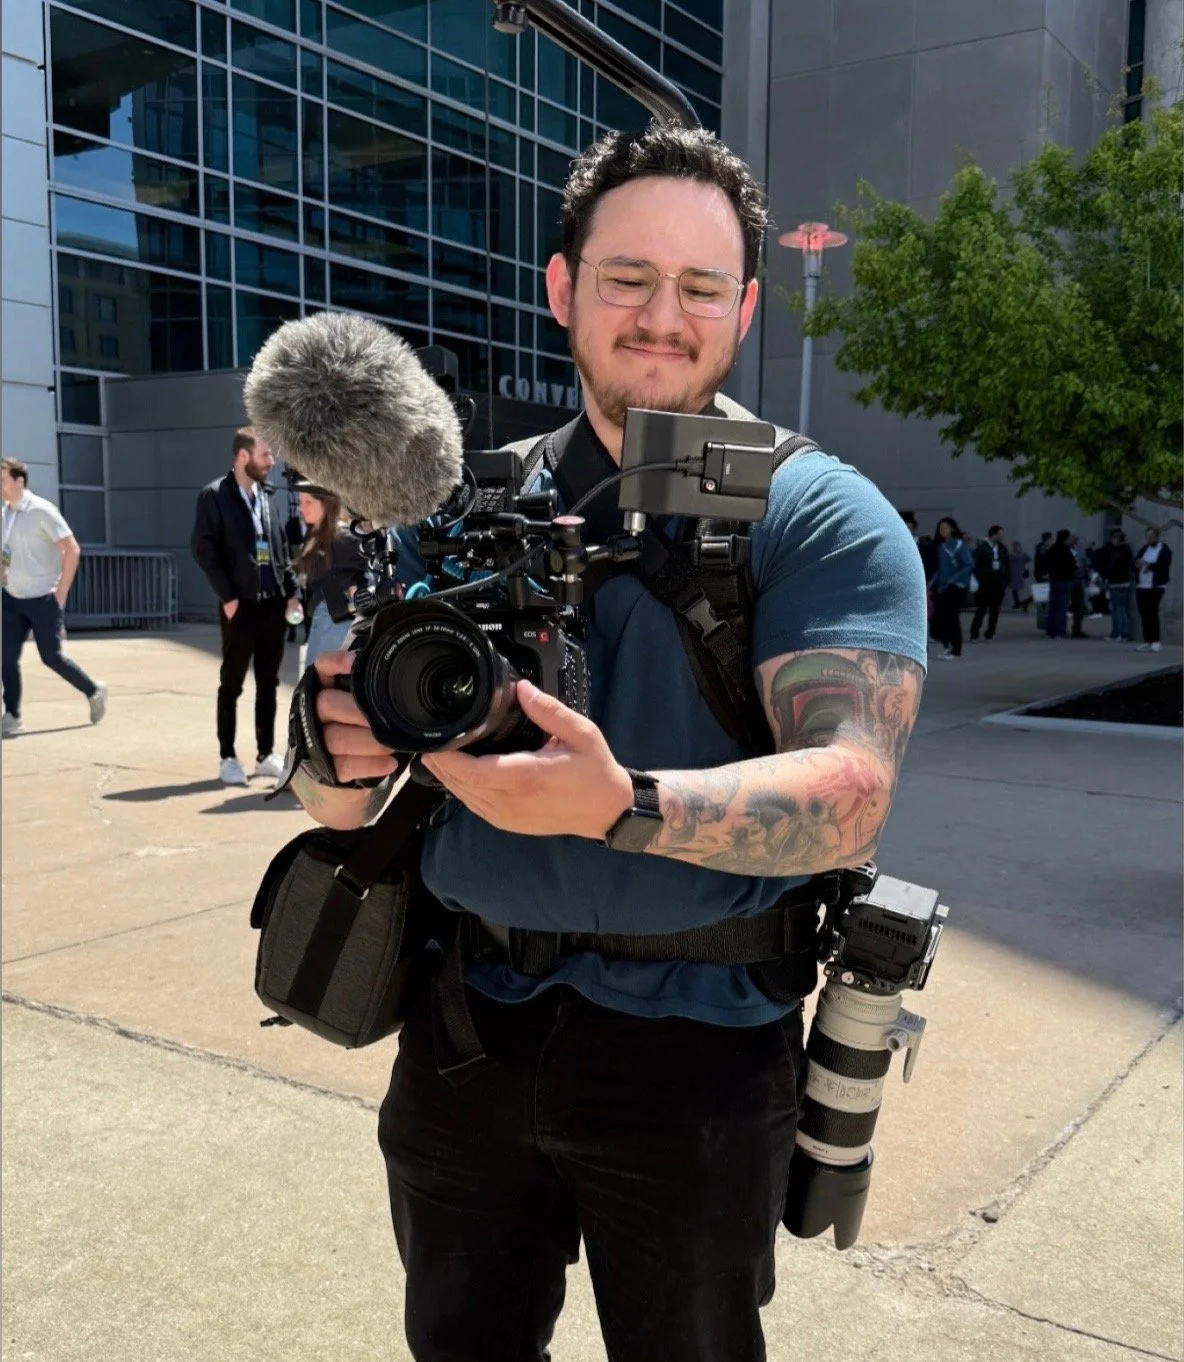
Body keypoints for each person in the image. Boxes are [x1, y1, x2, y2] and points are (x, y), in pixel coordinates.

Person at [284, 124, 927, 1362]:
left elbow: (850, 793)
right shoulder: (465, 503)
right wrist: (335, 748)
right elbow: (336, 802)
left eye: (697, 287)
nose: (659, 316)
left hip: (696, 1052)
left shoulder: (811, 509)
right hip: (465, 1025)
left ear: (741, 309)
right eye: (626, 278)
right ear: (562, 286)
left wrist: (617, 802)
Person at [190, 427, 300, 786]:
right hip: (240, 607)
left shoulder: (267, 495)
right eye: (265, 454)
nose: (271, 462)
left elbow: (280, 548)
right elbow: (204, 550)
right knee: (232, 684)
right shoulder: (214, 496)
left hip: (273, 605)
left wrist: (292, 592)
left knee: (268, 682)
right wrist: (230, 598)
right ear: (243, 457)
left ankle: (266, 753)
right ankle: (227, 757)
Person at [1, 457, 107, 737]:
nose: (0, 484)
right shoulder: (5, 514)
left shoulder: (42, 511)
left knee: (52, 658)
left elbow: (72, 548)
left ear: (19, 481)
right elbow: (7, 550)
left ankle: (93, 690)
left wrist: (61, 592)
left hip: (42, 598)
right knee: (5, 657)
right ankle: (12, 715)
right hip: (11, 598)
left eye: (2, 479)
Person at [292, 484, 368, 672]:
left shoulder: (343, 537)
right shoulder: (315, 533)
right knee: (313, 681)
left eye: (308, 502)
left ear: (326, 503)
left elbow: (365, 573)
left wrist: (355, 588)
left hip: (334, 619)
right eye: (300, 502)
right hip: (321, 617)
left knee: (315, 681)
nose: (303, 508)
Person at [930, 517, 973, 659]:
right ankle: (947, 646)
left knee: (952, 618)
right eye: (941, 528)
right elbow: (940, 568)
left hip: (955, 587)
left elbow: (969, 564)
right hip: (942, 587)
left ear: (952, 529)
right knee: (940, 618)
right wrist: (932, 582)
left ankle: (956, 650)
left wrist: (954, 578)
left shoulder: (959, 545)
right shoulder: (941, 547)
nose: (943, 530)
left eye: (945, 527)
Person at [1134, 526, 1172, 653]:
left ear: (1157, 536)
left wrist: (1148, 565)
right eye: (1147, 537)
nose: (1149, 539)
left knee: (1152, 612)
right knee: (1144, 614)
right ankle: (1147, 641)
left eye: (1151, 536)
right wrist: (1138, 564)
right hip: (1142, 586)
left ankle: (1156, 641)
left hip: (1156, 586)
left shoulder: (1164, 550)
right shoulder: (1145, 548)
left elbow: (1163, 566)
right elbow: (1137, 561)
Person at [969, 524, 1010, 641]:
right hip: (985, 583)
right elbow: (975, 565)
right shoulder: (982, 548)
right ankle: (974, 633)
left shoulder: (1002, 548)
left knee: (995, 610)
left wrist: (1006, 579)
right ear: (994, 534)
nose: (1002, 537)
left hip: (999, 583)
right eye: (1000, 534)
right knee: (981, 609)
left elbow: (1007, 564)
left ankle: (990, 633)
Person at [1097, 528, 1135, 641]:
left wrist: (1105, 575)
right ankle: (1123, 634)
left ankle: (1118, 633)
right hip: (1125, 582)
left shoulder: (1118, 551)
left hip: (1117, 582)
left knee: (1117, 609)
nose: (1112, 540)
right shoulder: (1126, 549)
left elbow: (1111, 566)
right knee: (1122, 608)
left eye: (1114, 538)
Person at [1043, 529, 1077, 639]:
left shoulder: (1052, 549)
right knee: (1062, 607)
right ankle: (1059, 630)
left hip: (1054, 580)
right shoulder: (1066, 551)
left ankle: (1050, 630)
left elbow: (1046, 562)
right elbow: (1072, 564)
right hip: (1065, 580)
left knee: (1053, 606)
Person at [1033, 531, 1053, 631]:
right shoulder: (1043, 549)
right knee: (1043, 602)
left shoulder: (1040, 548)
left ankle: (1042, 622)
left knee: (1042, 601)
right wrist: (1046, 573)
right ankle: (1043, 623)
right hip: (1043, 576)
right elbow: (1043, 562)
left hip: (1040, 576)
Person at [1008, 539, 1031, 611]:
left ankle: (1017, 602)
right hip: (1015, 573)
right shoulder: (1019, 554)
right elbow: (1029, 559)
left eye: (1017, 546)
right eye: (1015, 546)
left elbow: (1029, 559)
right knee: (1014, 589)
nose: (1016, 547)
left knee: (1015, 589)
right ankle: (1017, 602)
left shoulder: (1015, 554)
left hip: (1017, 573)